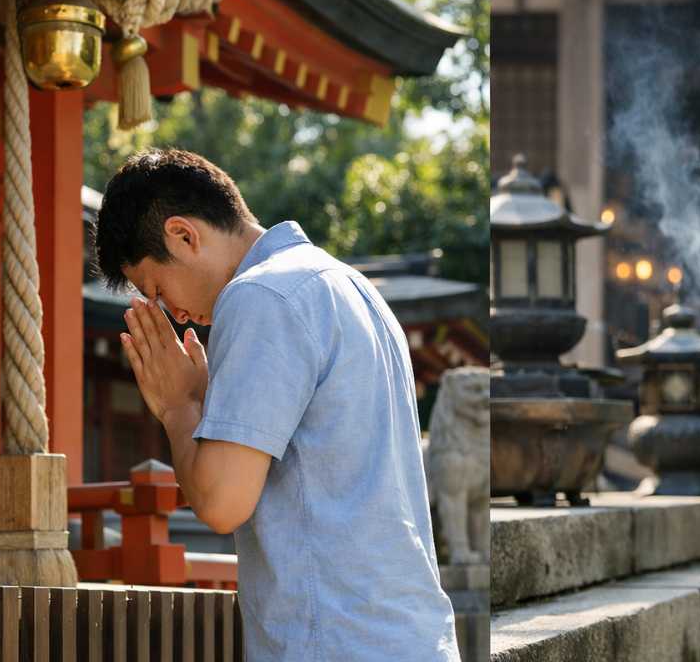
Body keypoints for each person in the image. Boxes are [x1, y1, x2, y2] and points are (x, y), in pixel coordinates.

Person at [93, 149, 460, 661]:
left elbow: (223, 502)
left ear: (183, 235)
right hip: (408, 636)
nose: (170, 312)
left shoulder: (260, 295)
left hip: (336, 641)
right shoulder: (350, 286)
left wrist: (179, 409)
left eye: (156, 288)